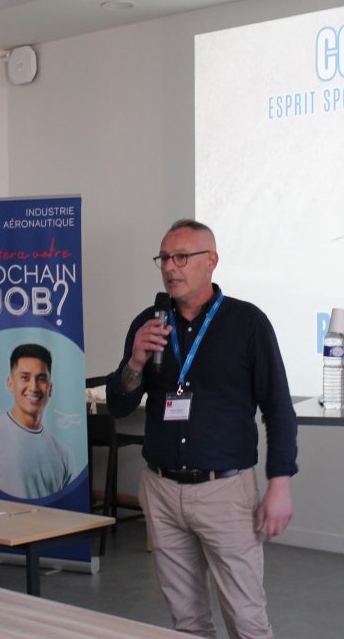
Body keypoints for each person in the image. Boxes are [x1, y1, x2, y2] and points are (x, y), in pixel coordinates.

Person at [106, 219, 298, 639]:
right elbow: (119, 406)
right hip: (160, 488)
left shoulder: (247, 323)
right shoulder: (149, 323)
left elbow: (278, 408)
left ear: (211, 261)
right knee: (187, 623)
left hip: (224, 491)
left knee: (246, 620)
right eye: (164, 258)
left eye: (181, 257)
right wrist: (135, 362)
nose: (169, 268)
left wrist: (280, 483)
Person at [0, 343, 74, 499]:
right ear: (10, 384)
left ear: (50, 388)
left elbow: (66, 506)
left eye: (41, 378)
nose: (33, 387)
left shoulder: (63, 454)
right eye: (25, 377)